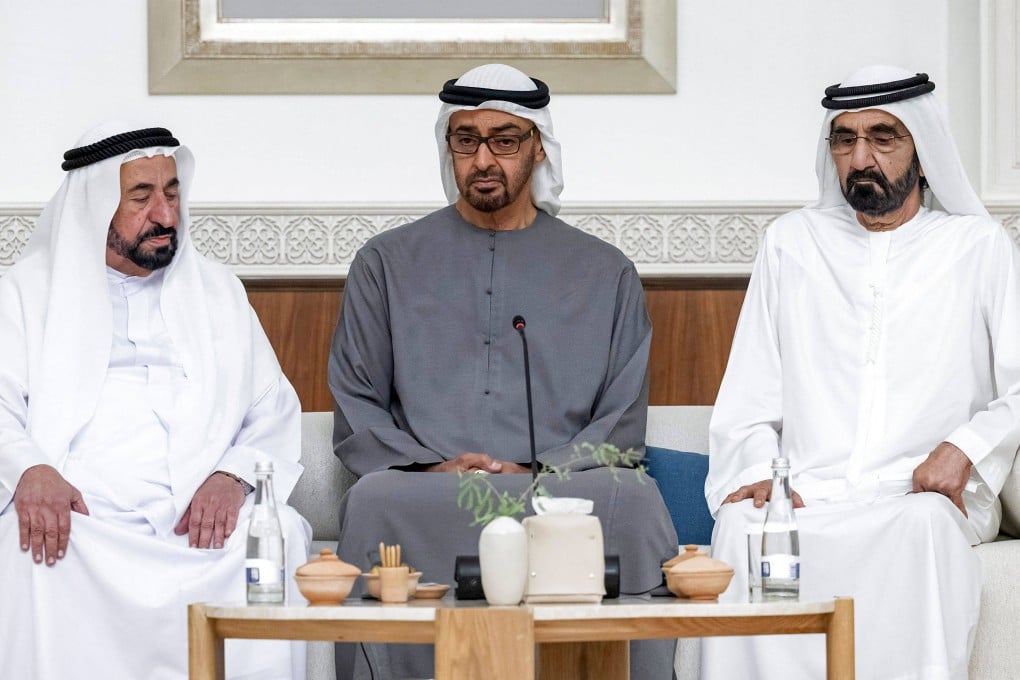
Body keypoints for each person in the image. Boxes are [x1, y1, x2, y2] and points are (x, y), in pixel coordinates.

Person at [329, 64, 678, 679]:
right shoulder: (385, 263)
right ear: (449, 148)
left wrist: (538, 467)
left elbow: (621, 419)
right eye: (466, 140)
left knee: (636, 496)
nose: (483, 159)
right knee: (374, 497)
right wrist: (433, 463)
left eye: (504, 140)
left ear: (537, 147)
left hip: (560, 490)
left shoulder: (606, 272)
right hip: (431, 488)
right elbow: (357, 399)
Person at [704, 65, 1020, 680]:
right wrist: (759, 474)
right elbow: (749, 394)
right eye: (845, 140)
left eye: (883, 137)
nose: (861, 157)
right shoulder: (790, 243)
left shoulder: (978, 247)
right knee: (744, 527)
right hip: (808, 493)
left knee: (926, 523)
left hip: (918, 494)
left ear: (923, 153)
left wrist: (964, 447)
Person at [0, 122, 311, 679]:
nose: (166, 215)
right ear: (95, 207)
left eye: (172, 193)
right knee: (20, 544)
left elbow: (273, 410)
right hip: (84, 512)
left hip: (197, 516)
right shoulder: (24, 295)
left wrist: (233, 476)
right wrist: (30, 471)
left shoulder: (218, 292)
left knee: (277, 534)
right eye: (141, 197)